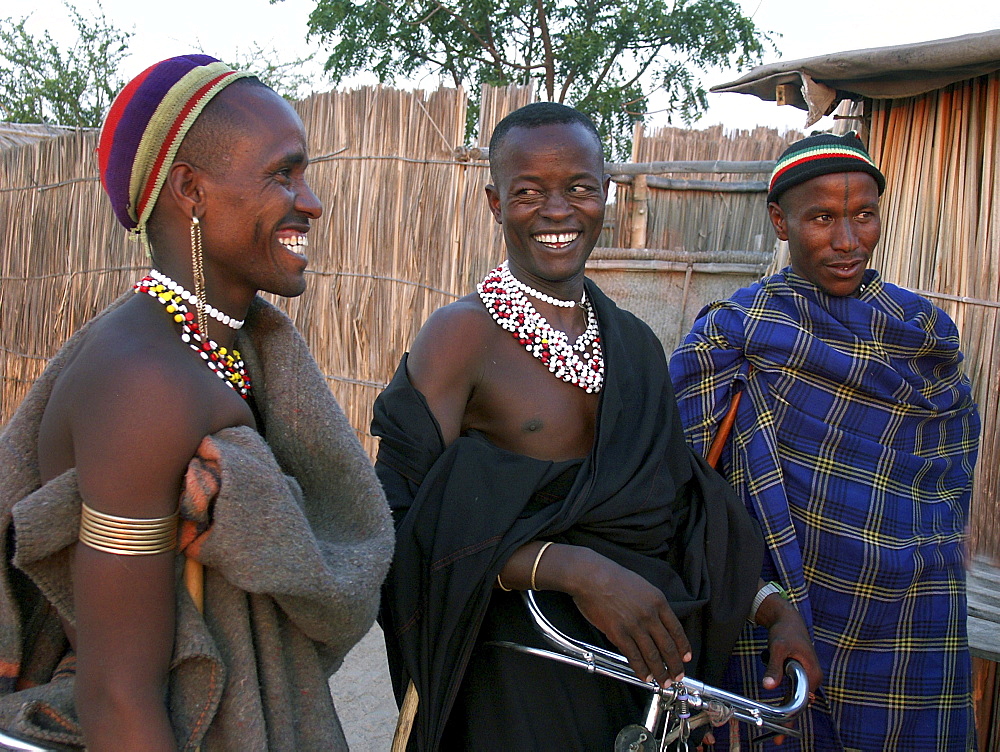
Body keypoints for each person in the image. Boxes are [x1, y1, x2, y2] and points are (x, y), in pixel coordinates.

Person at [371, 102, 820, 751]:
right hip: (513, 681)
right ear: (496, 202)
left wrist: (772, 608)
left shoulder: (633, 344)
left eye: (579, 187)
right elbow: (400, 522)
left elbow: (685, 509)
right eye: (529, 192)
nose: (558, 211)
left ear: (606, 194)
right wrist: (572, 568)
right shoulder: (458, 338)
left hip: (634, 678)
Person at [0, 54, 394, 751]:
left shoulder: (223, 352)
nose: (312, 201)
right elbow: (120, 696)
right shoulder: (144, 385)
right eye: (283, 173)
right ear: (191, 188)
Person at [669, 132, 981, 751]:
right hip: (782, 608)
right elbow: (680, 482)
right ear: (780, 223)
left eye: (864, 215)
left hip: (912, 618)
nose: (846, 241)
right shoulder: (736, 335)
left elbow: (949, 471)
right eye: (822, 218)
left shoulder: (923, 335)